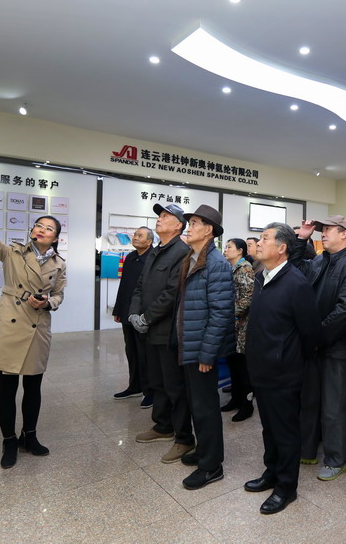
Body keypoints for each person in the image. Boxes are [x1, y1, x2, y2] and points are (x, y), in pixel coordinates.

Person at [0, 176, 66, 469]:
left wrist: (47, 302)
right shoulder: (12, 252)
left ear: (56, 238)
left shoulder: (59, 264)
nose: (42, 229)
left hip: (38, 326)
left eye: (49, 228)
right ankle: (8, 441)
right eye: (39, 225)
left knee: (33, 387)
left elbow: (59, 295)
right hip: (9, 323)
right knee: (6, 388)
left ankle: (30, 436)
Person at [244, 222, 320, 515]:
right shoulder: (262, 277)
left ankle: (287, 487)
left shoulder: (295, 283)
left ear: (282, 247)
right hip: (260, 367)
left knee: (285, 430)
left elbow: (310, 332)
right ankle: (272, 472)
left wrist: (287, 358)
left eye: (265, 239)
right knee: (269, 427)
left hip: (283, 371)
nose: (259, 243)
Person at [292, 215, 346, 481]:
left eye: (328, 230)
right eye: (321, 230)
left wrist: (317, 335)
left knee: (334, 405)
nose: (322, 234)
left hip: (339, 347)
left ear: (344, 233)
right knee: (310, 400)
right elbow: (295, 268)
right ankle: (307, 449)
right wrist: (301, 239)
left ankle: (336, 459)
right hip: (316, 345)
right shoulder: (321, 260)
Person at [175, 205, 235, 490]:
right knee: (196, 405)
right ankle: (203, 450)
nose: (189, 227)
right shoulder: (192, 257)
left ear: (209, 230)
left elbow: (221, 312)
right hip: (190, 343)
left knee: (206, 408)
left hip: (202, 349)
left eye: (195, 223)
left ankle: (212, 466)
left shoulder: (216, 263)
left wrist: (208, 354)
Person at [129, 203, 194, 464]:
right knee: (156, 381)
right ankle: (163, 426)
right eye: (159, 216)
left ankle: (184, 438)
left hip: (168, 331)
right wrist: (134, 313)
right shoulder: (156, 250)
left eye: (166, 216)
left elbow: (172, 292)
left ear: (178, 226)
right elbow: (140, 286)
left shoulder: (182, 252)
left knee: (174, 386)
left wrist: (148, 317)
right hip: (149, 330)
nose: (160, 219)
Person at [112, 226, 154, 408]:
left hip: (143, 314)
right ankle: (134, 386)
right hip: (127, 312)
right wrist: (118, 310)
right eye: (135, 235)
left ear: (149, 241)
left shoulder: (153, 258)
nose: (135, 237)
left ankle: (150, 391)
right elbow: (124, 286)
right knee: (131, 350)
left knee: (145, 354)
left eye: (140, 235)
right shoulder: (129, 257)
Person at [221, 238, 255, 421]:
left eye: (229, 247)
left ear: (240, 250)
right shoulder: (231, 268)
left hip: (241, 326)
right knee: (233, 364)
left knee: (242, 368)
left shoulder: (245, 268)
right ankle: (235, 399)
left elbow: (247, 298)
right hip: (231, 326)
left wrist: (230, 315)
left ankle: (246, 405)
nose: (226, 250)